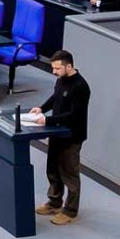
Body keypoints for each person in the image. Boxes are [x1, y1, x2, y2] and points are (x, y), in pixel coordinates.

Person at [31, 50, 90, 226]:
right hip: (56, 132)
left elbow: (74, 115)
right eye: (53, 68)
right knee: (53, 169)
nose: (54, 72)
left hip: (72, 136)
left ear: (69, 66)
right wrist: (42, 108)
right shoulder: (61, 79)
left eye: (57, 68)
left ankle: (70, 211)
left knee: (69, 173)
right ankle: (54, 202)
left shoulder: (81, 87)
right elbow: (56, 97)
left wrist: (47, 119)